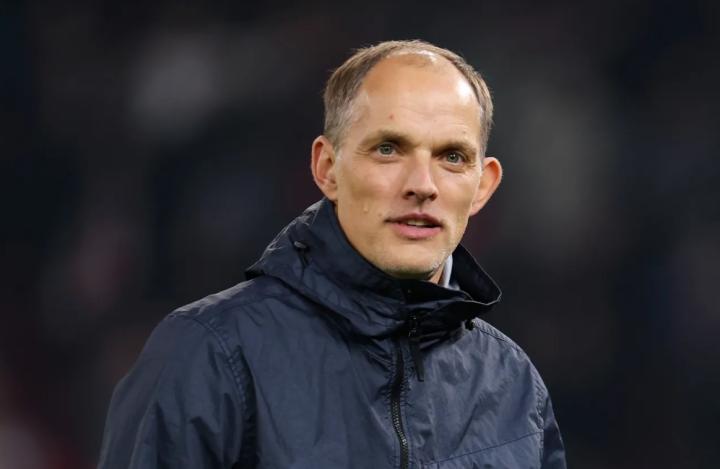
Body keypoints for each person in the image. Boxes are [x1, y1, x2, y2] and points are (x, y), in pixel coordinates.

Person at [98, 39, 566, 469]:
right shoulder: (208, 354)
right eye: (388, 149)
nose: (422, 185)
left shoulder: (514, 387)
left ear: (483, 186)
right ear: (327, 169)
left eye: (452, 157)